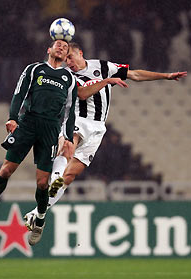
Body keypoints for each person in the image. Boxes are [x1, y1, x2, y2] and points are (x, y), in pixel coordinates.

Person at [24, 42, 187, 230]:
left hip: (98, 128)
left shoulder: (102, 67)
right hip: (78, 119)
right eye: (65, 59)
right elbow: (83, 94)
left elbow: (135, 74)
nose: (68, 62)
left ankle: (37, 213)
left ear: (80, 53)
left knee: (70, 177)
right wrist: (107, 81)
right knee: (70, 143)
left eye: (70, 57)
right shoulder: (67, 76)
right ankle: (56, 173)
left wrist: (165, 76)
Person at [0, 39, 78, 247]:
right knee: (5, 170)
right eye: (57, 44)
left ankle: (39, 220)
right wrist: (13, 117)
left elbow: (70, 110)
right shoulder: (34, 69)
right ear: (49, 49)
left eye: (65, 47)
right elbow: (19, 93)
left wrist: (66, 135)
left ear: (67, 56)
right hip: (28, 122)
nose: (61, 47)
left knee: (42, 183)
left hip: (50, 129)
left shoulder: (69, 78)